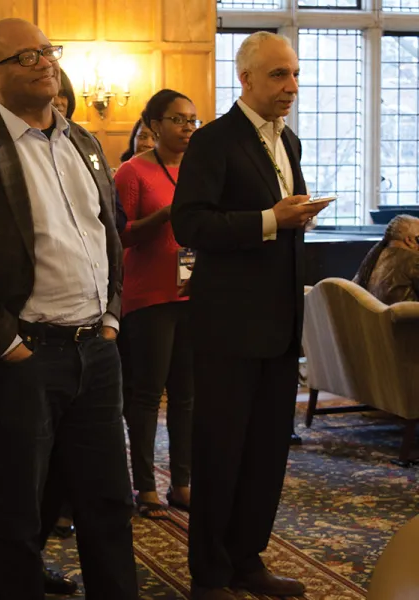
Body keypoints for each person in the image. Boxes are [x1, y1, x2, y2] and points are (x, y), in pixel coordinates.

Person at [0, 18, 138, 600]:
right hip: (23, 358)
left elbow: (109, 237)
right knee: (15, 512)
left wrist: (113, 317)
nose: (45, 62)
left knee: (108, 503)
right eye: (26, 57)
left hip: (96, 351)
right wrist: (8, 345)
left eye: (47, 51)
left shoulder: (86, 144)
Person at [170, 31, 330, 600]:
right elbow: (189, 224)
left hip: (280, 325)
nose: (290, 87)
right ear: (246, 79)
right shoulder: (215, 141)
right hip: (229, 329)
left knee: (265, 455)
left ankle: (247, 559)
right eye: (277, 76)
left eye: (293, 75)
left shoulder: (290, 142)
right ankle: (209, 574)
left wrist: (297, 217)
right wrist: (269, 219)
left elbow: (284, 218)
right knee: (220, 455)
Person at [115, 89, 199, 521]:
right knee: (147, 395)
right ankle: (145, 485)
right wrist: (165, 217)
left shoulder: (199, 170)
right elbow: (120, 235)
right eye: (179, 120)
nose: (187, 128)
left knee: (186, 394)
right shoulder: (133, 172)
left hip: (192, 292)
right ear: (155, 125)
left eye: (193, 120)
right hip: (148, 295)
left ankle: (182, 484)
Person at [353, 214, 419, 304]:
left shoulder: (374, 257)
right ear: (409, 241)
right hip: (406, 317)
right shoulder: (413, 261)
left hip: (373, 317)